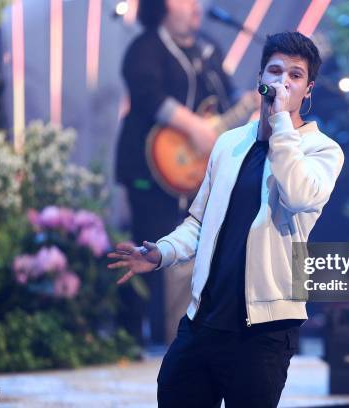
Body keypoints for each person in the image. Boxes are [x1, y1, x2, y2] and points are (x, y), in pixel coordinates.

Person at [109, 32, 344, 407]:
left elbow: (298, 195)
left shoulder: (322, 150)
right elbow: (200, 222)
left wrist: (281, 124)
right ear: (260, 80)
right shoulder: (229, 143)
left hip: (263, 332)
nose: (283, 81)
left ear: (308, 90)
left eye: (295, 76)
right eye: (275, 70)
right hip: (202, 322)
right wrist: (162, 253)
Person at [114, 0, 243, 345]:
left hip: (196, 175)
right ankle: (129, 336)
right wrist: (194, 128)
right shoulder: (145, 47)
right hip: (149, 167)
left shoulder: (208, 49)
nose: (195, 6)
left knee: (197, 251)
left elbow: (227, 101)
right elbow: (148, 95)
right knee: (148, 243)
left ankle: (181, 333)